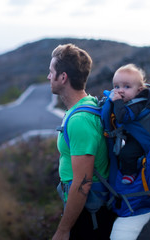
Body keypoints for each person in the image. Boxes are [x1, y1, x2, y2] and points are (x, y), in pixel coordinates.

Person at [48, 43, 116, 240]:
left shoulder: (80, 120)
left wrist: (62, 230)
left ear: (63, 77)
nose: (48, 77)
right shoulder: (85, 105)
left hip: (89, 215)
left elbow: (82, 184)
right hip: (88, 209)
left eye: (51, 72)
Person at [110, 64, 150, 184]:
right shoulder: (130, 100)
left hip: (140, 140)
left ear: (139, 90)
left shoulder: (138, 103)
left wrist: (117, 102)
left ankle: (130, 173)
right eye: (116, 86)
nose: (120, 90)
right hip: (133, 136)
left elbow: (123, 117)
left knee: (126, 154)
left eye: (127, 86)